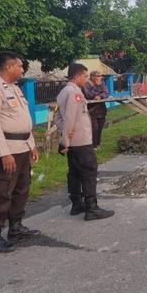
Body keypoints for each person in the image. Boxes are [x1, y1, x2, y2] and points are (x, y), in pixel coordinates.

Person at [0, 52, 40, 253]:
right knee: (0, 191)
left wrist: (31, 144)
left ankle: (15, 227)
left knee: (21, 190)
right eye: (20, 66)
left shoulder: (15, 89)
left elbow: (23, 121)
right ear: (8, 67)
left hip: (22, 148)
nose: (22, 69)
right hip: (6, 152)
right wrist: (4, 154)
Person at [56, 63, 114, 220]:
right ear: (77, 76)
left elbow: (59, 118)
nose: (86, 79)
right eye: (85, 76)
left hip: (73, 140)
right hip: (80, 140)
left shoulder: (64, 92)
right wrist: (65, 141)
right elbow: (69, 118)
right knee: (89, 171)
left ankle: (76, 203)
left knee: (74, 172)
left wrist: (64, 138)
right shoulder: (73, 92)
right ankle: (91, 207)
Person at [83, 71, 109, 149]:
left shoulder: (102, 83)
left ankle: (98, 144)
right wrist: (97, 90)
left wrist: (100, 96)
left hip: (101, 109)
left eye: (100, 76)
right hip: (92, 110)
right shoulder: (86, 84)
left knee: (100, 127)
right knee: (94, 128)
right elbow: (88, 95)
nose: (100, 78)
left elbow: (106, 93)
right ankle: (93, 145)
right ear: (92, 77)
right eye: (98, 76)